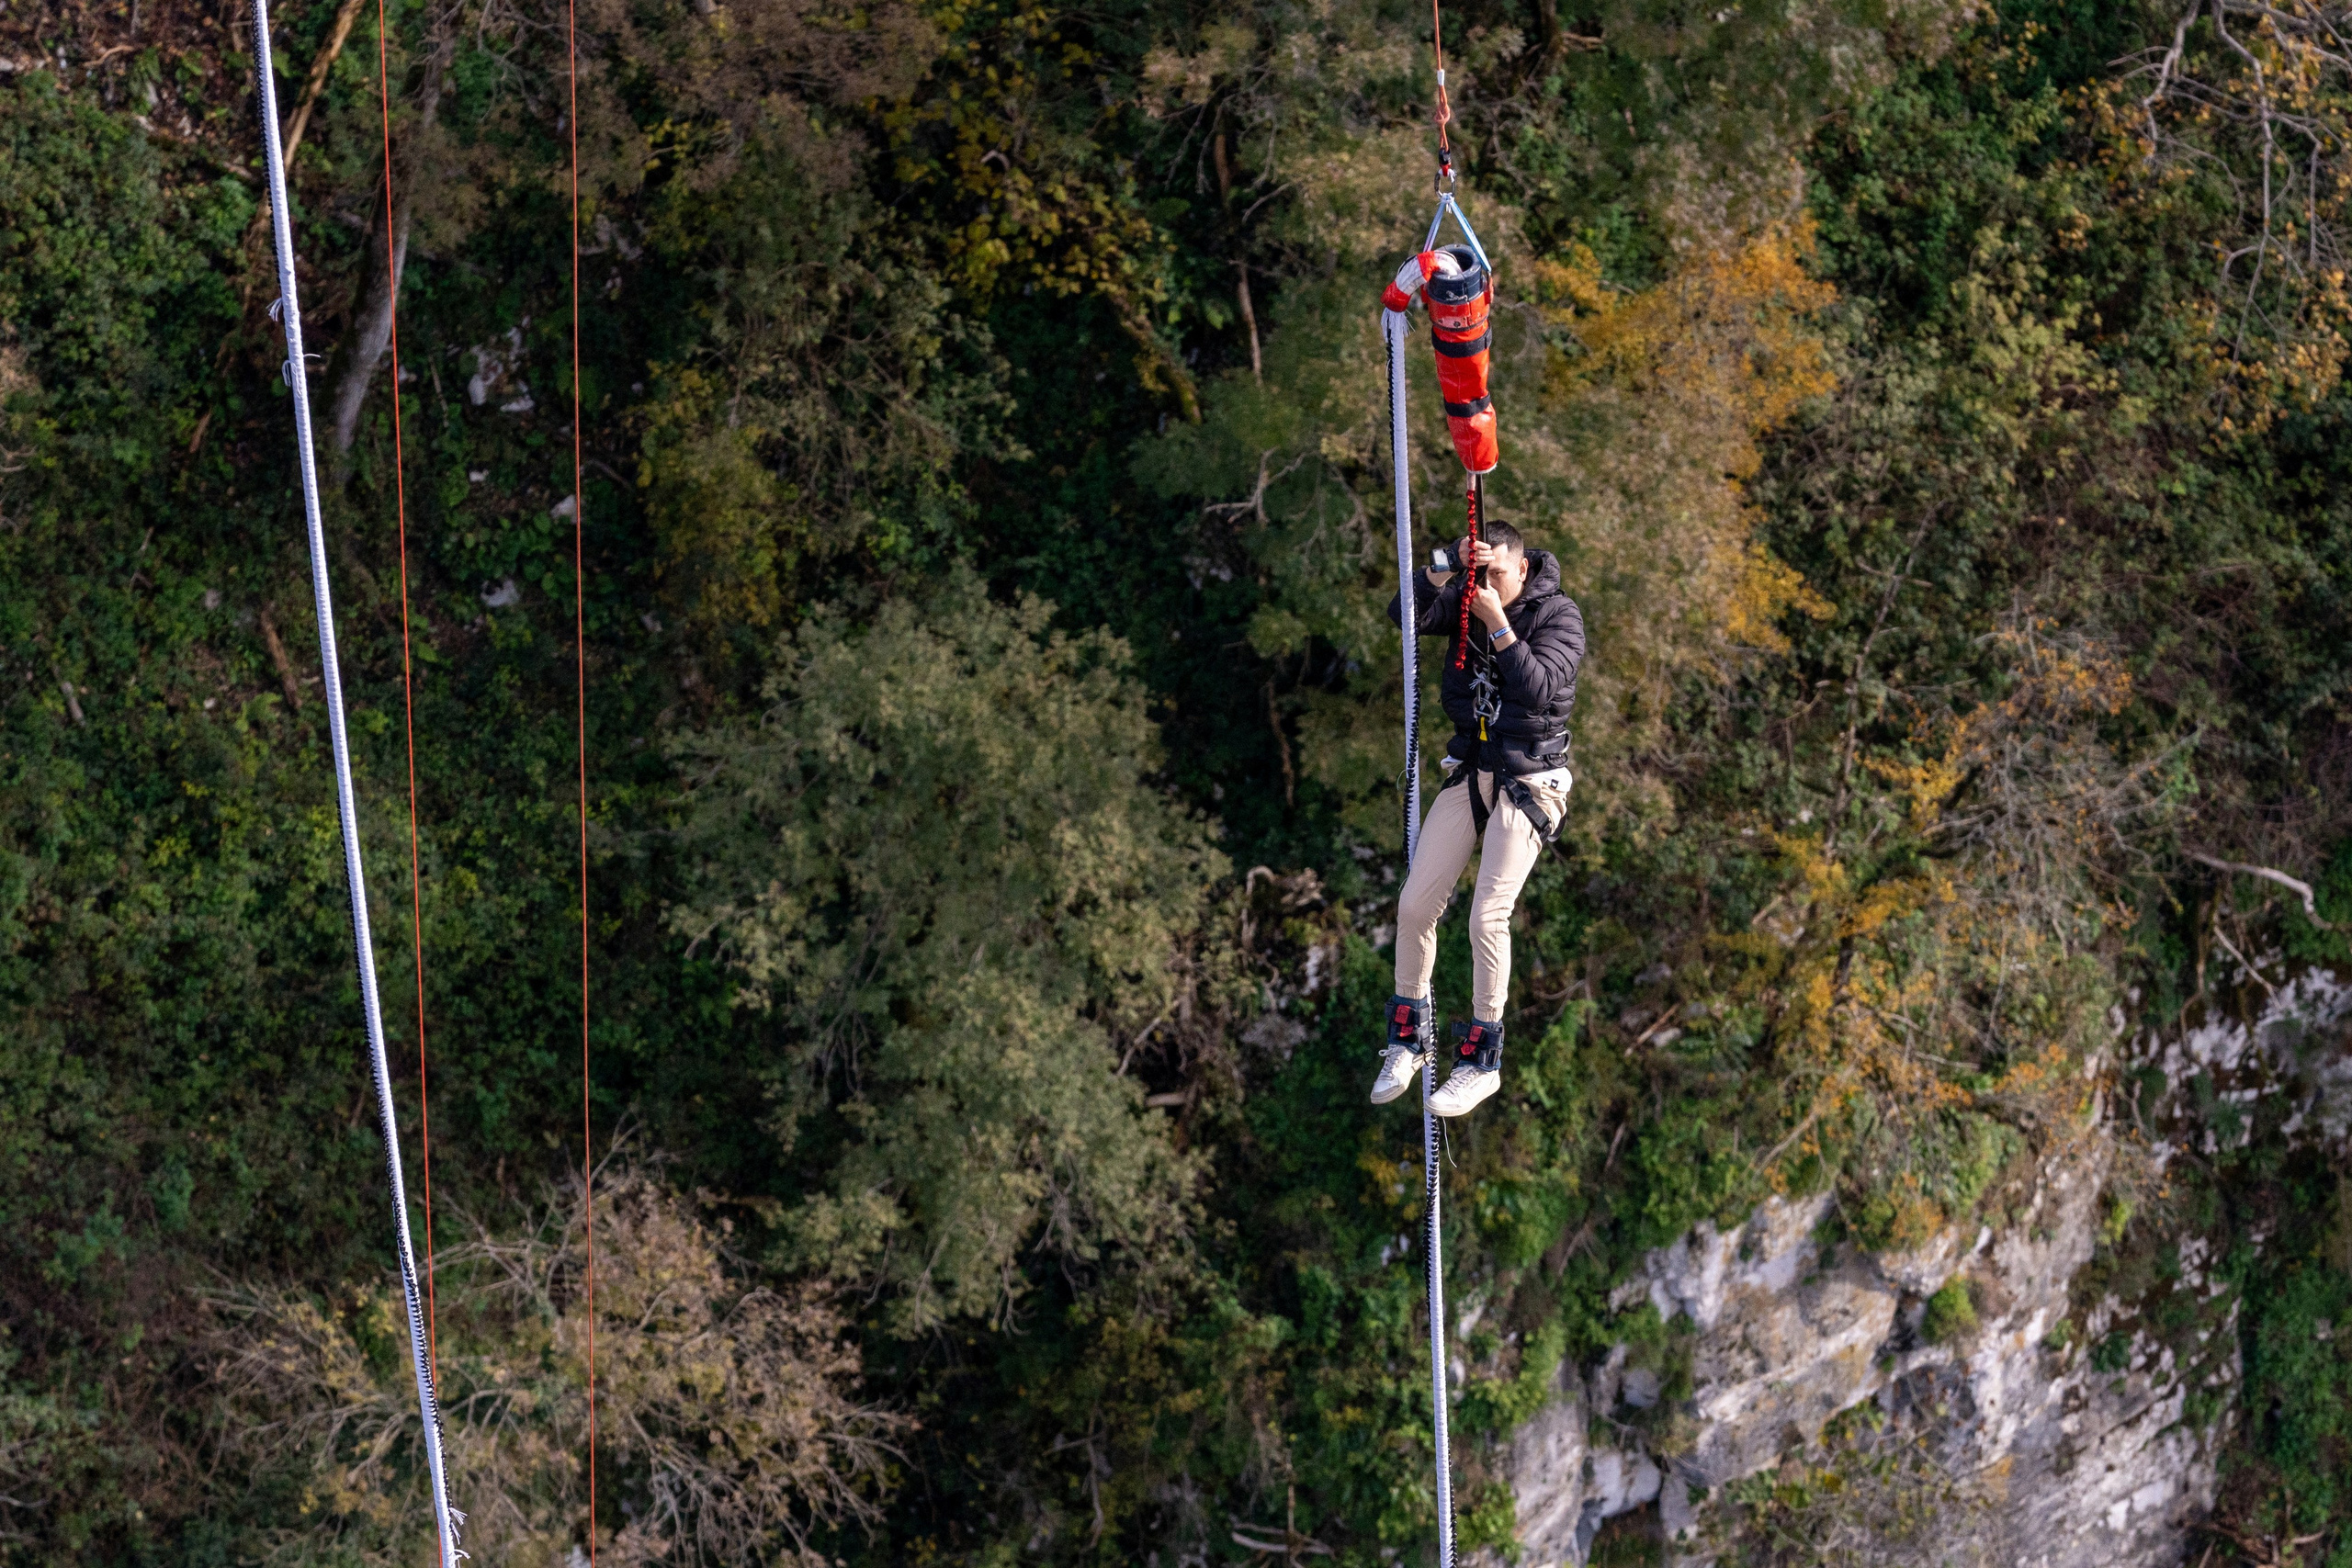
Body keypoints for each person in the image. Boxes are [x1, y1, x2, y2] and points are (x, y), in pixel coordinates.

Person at [1375, 519, 1585, 1115]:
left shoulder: (1559, 616)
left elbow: (1539, 687)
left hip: (1531, 779)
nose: (1485, 585)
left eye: (1496, 575)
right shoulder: (1466, 598)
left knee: (1487, 915)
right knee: (1416, 905)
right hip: (1475, 767)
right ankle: (1407, 1036)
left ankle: (1482, 1059)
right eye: (1480, 575)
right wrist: (1445, 565)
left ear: (1522, 569)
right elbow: (1406, 614)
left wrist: (1497, 623)